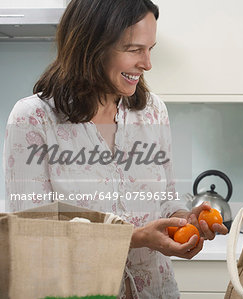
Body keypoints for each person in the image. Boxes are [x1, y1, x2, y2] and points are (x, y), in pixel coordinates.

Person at [3, 0, 228, 298]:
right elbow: (33, 234)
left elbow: (164, 197)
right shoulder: (34, 118)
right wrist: (133, 238)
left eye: (150, 49)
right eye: (134, 49)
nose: (147, 64)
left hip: (155, 291)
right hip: (78, 292)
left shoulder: (152, 111)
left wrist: (183, 219)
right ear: (91, 46)